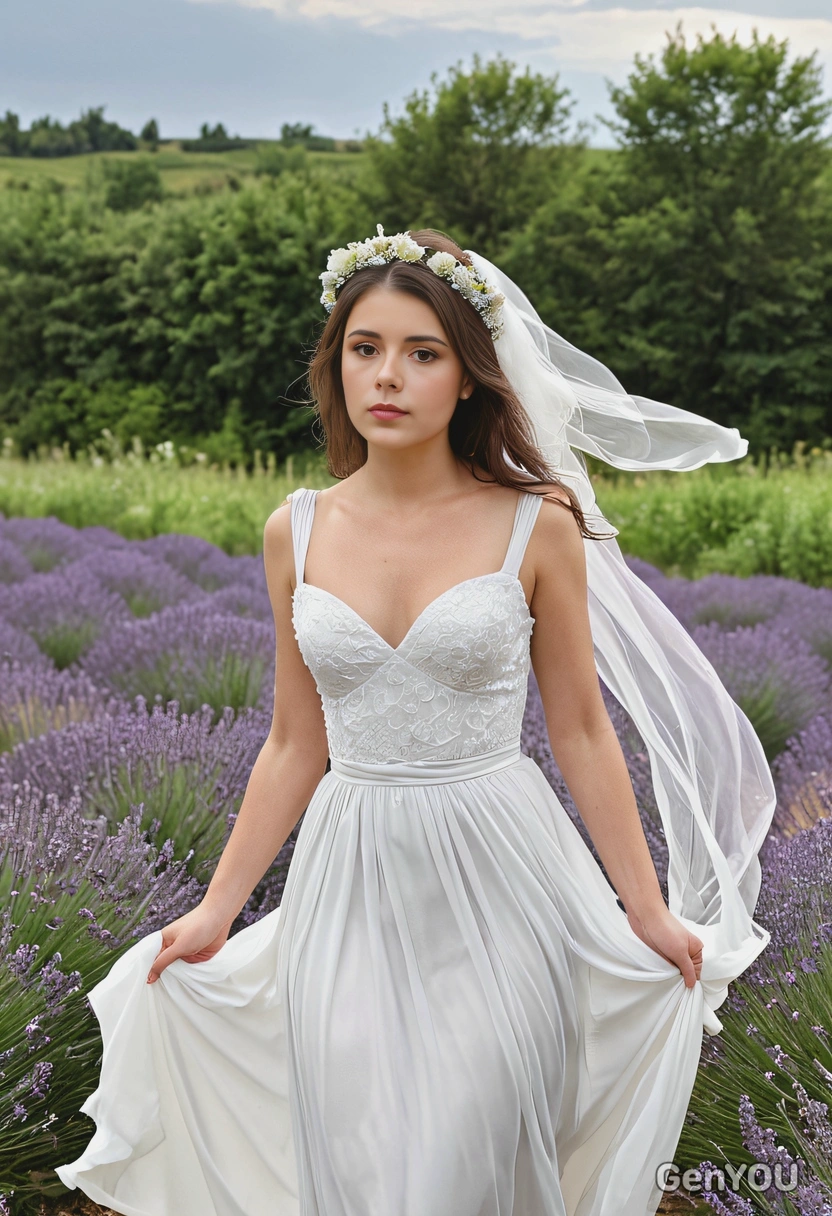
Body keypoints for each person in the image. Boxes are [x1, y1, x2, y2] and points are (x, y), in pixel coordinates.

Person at [55, 227, 775, 1216]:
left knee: (459, 1158)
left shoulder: (537, 524)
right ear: (337, 364)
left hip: (504, 874)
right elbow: (293, 742)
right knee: (358, 1164)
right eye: (364, 348)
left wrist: (644, 909)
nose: (386, 375)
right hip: (347, 879)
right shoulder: (295, 528)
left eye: (421, 352)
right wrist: (216, 909)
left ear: (471, 376)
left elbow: (581, 731)